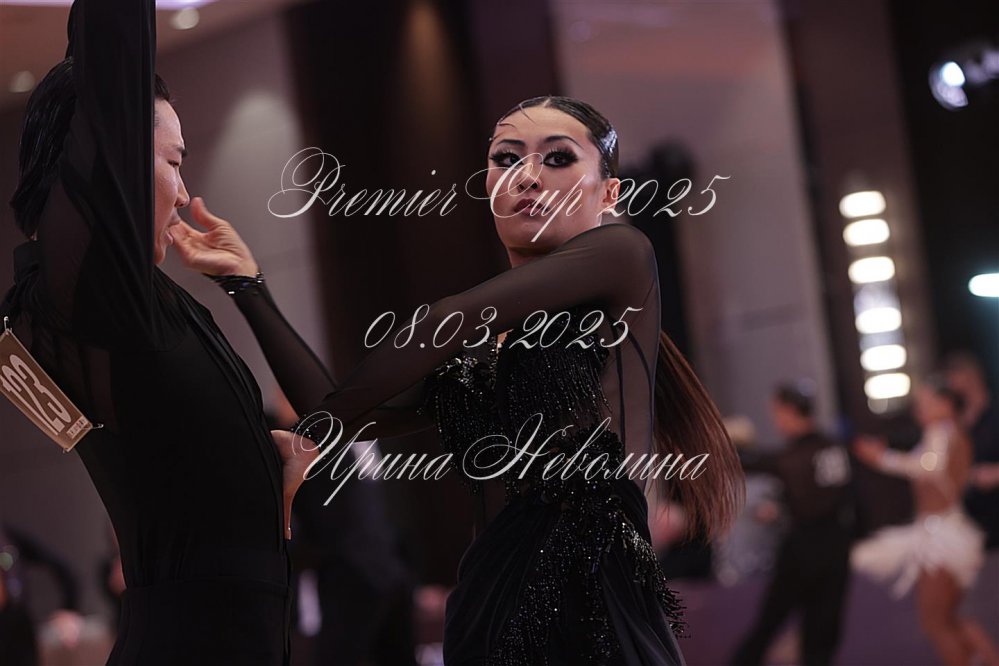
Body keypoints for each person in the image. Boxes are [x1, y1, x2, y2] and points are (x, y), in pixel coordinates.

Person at [295, 96, 745, 664]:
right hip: (486, 604)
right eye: (506, 159)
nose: (527, 176)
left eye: (557, 158)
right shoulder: (480, 351)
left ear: (610, 192)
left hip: (592, 600)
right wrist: (247, 285)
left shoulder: (623, 253)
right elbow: (340, 417)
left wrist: (307, 436)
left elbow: (439, 323)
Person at [2, 0, 325, 662]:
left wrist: (248, 286)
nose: (183, 194)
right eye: (173, 162)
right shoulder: (87, 293)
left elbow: (331, 416)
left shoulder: (147, 304)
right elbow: (112, 44)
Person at [853, 377, 999, 666]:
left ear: (945, 404)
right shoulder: (949, 432)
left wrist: (882, 458)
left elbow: (928, 466)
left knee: (936, 621)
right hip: (945, 533)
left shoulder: (941, 430)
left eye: (926, 402)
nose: (919, 409)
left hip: (941, 539)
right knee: (947, 618)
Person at [729, 383, 854, 666]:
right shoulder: (833, 447)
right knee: (822, 630)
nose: (775, 419)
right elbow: (842, 497)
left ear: (788, 411)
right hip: (837, 546)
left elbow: (769, 465)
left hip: (805, 547)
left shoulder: (795, 455)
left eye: (776, 412)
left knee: (770, 622)